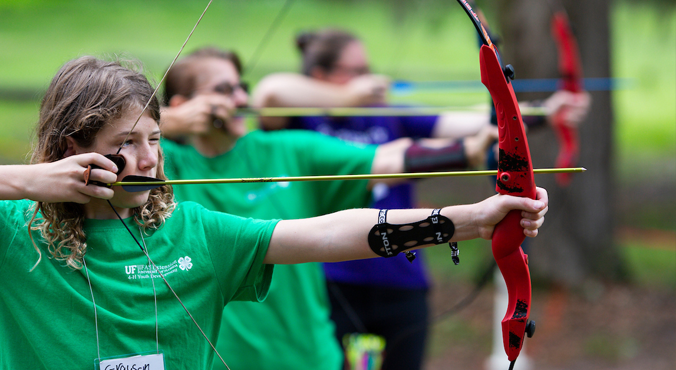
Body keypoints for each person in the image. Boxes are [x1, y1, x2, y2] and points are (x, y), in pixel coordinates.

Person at [0, 55, 549, 370]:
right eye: (126, 142)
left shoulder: (190, 229)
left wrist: (469, 220)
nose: (149, 159)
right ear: (74, 146)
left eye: (154, 139)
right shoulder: (10, 232)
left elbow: (323, 235)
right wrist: (30, 181)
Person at [251, 28, 590, 370]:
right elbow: (269, 93)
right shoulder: (302, 121)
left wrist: (545, 112)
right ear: (320, 75)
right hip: (334, 280)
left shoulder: (388, 113)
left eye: (368, 70)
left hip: (401, 275)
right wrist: (346, 95)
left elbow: (474, 122)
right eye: (355, 71)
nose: (368, 79)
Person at [159, 47, 499, 370]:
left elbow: (384, 159)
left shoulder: (285, 150)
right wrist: (170, 122)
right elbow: (117, 143)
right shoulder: (163, 165)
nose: (241, 100)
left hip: (309, 358)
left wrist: (469, 151)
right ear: (184, 104)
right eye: (224, 90)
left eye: (240, 87)